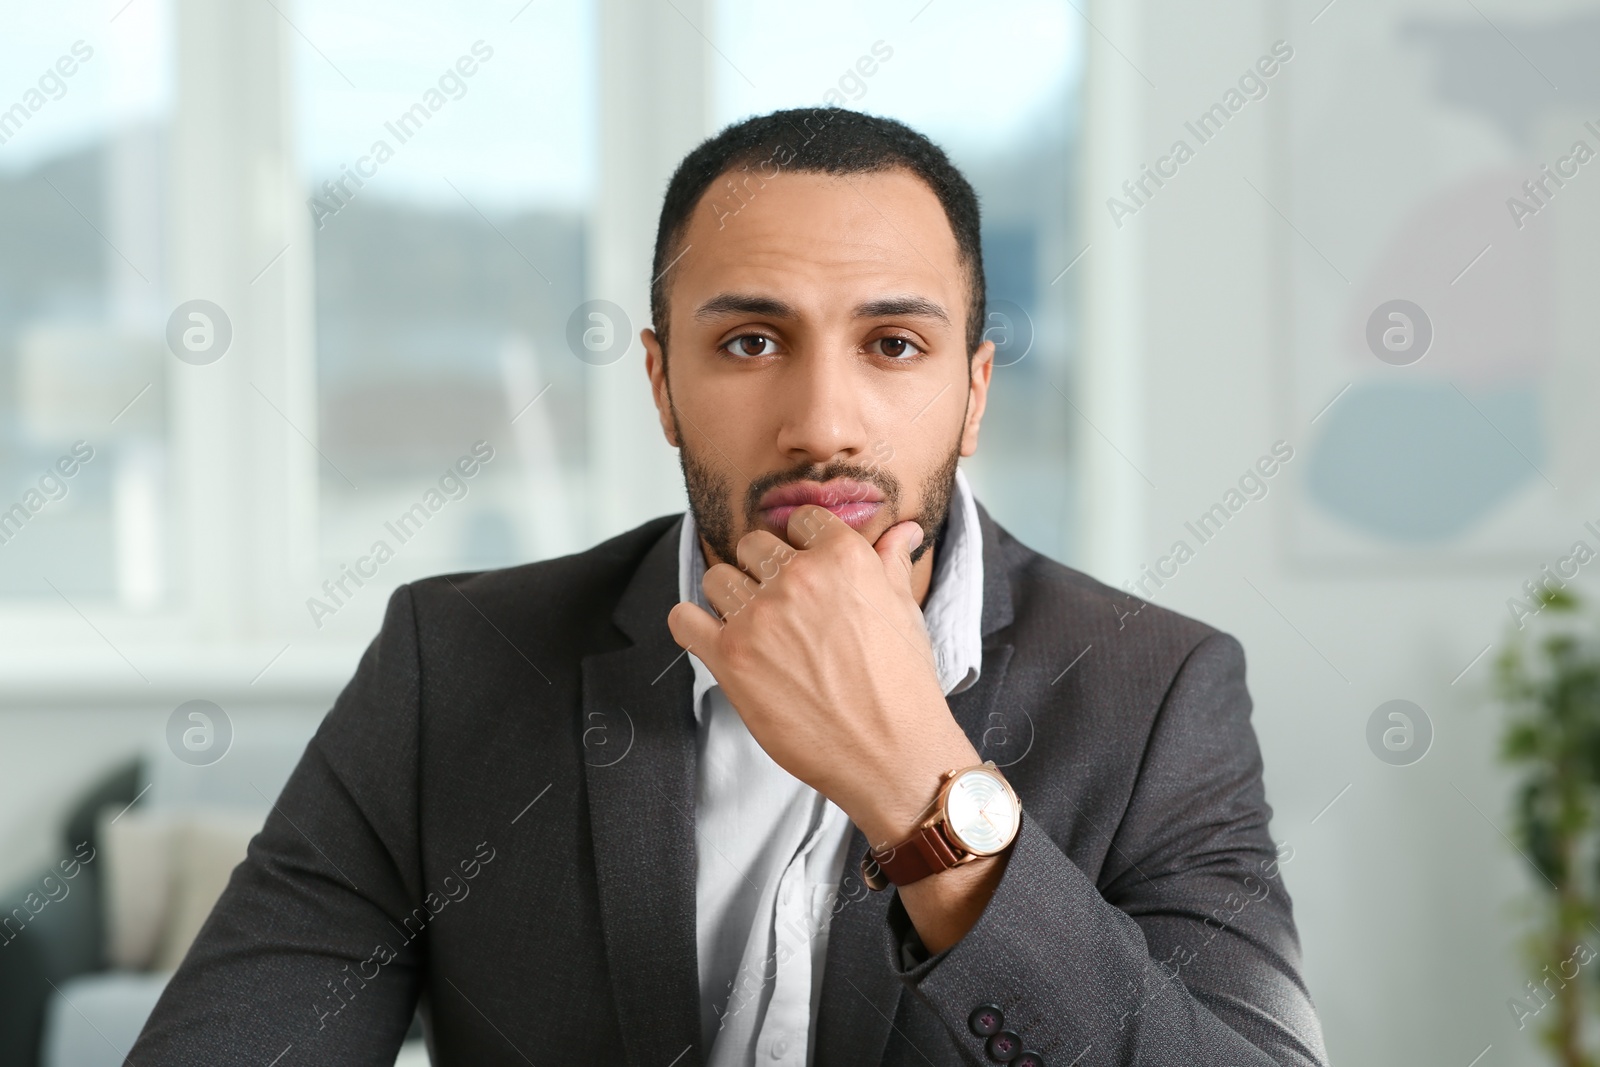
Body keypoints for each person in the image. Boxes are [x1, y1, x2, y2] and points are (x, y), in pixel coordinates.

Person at [130, 108, 1328, 1067]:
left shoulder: (1157, 686)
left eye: (893, 344)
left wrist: (920, 777)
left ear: (973, 390)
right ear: (660, 382)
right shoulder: (453, 660)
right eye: (750, 341)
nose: (821, 425)